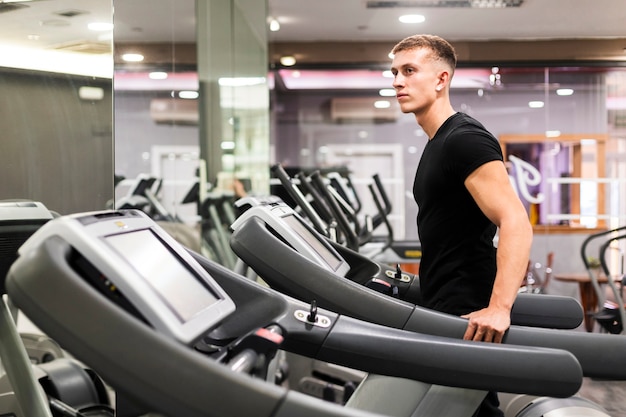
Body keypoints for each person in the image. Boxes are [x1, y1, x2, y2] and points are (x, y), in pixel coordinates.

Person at [390, 34, 533, 417]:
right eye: (394, 73)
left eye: (409, 71)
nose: (397, 82)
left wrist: (499, 308)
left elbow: (515, 220)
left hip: (468, 308)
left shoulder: (463, 139)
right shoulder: (438, 142)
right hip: (445, 299)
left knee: (468, 409)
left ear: (441, 79)